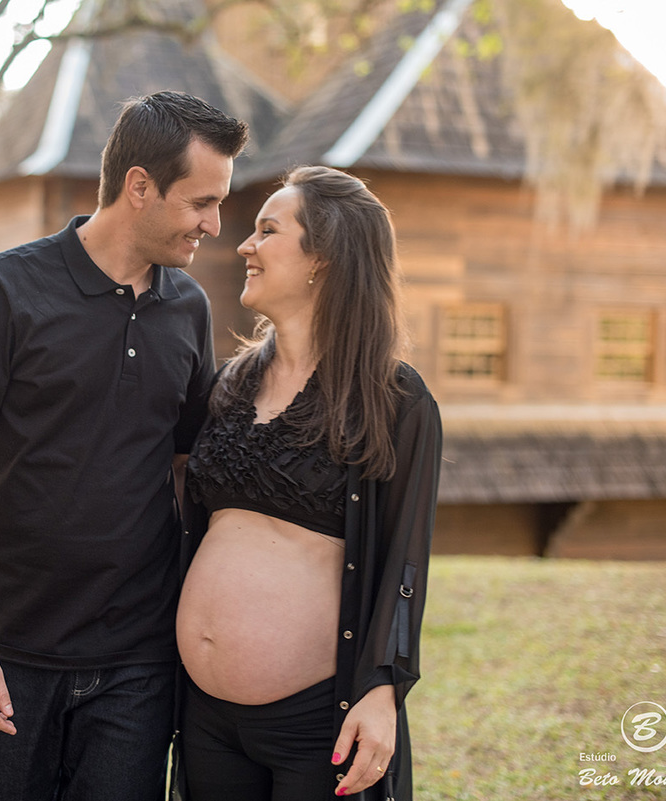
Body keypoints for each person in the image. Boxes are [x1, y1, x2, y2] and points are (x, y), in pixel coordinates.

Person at [0, 91, 249, 801]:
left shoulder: (189, 308)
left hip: (138, 663)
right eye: (201, 202)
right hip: (10, 655)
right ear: (139, 186)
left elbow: (186, 470)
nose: (215, 225)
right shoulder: (3, 289)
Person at [175, 166, 442, 800]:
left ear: (323, 256)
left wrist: (384, 688)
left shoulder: (394, 399)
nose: (245, 245)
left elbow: (405, 560)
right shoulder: (228, 385)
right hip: (205, 719)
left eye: (268, 231)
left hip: (316, 724)